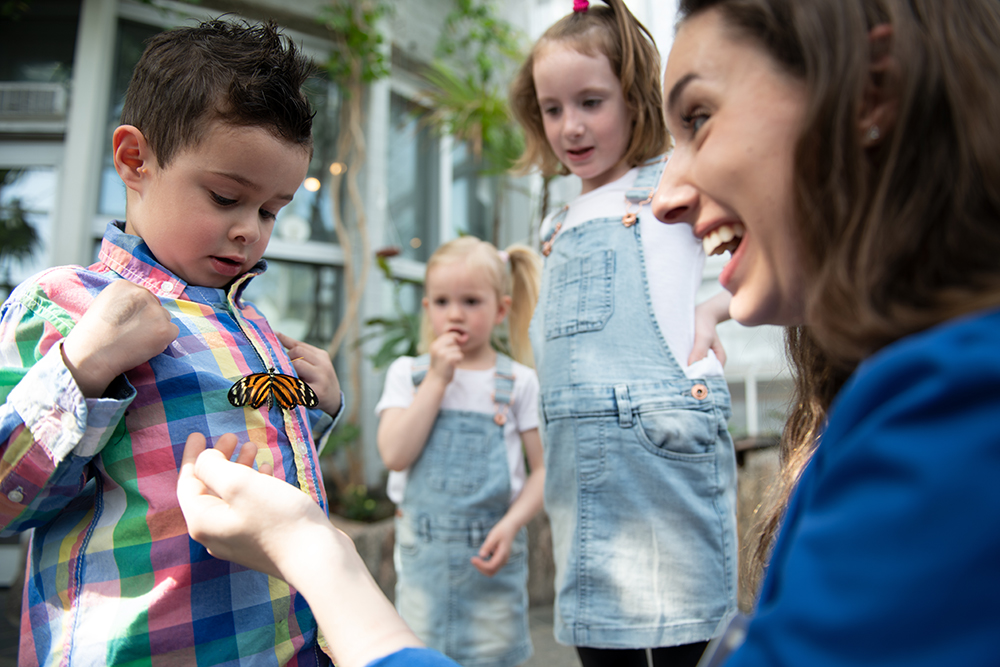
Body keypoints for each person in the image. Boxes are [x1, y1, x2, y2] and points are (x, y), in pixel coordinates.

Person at [0, 19, 342, 666]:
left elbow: (251, 470)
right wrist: (81, 366)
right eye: (225, 196)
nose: (250, 231)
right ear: (135, 159)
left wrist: (314, 407)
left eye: (271, 210)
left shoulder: (255, 327)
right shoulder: (69, 304)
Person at [508, 1, 736, 664]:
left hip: (663, 457)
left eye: (591, 101)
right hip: (583, 470)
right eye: (553, 108)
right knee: (599, 646)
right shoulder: (556, 224)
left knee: (683, 644)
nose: (570, 127)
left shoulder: (671, 183)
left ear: (635, 99)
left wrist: (712, 311)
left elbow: (785, 243)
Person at [374, 236, 545, 667]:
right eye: (442, 301)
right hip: (424, 564)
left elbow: (545, 471)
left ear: (501, 309)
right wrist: (436, 380)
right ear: (427, 307)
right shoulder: (408, 375)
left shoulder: (519, 382)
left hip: (492, 556)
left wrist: (512, 525)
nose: (455, 313)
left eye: (471, 301)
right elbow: (394, 454)